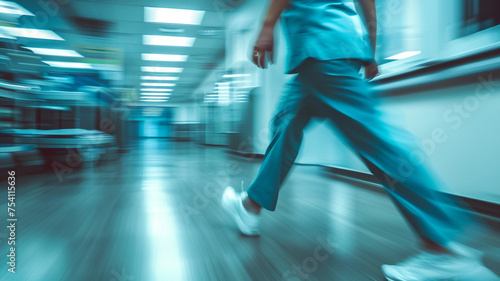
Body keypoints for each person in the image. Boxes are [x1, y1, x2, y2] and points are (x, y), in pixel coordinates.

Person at [221, 0, 500, 280]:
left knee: (378, 142)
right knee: (285, 123)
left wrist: (267, 26)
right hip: (332, 50)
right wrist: (369, 48)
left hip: (322, 48)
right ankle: (250, 205)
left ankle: (444, 249)